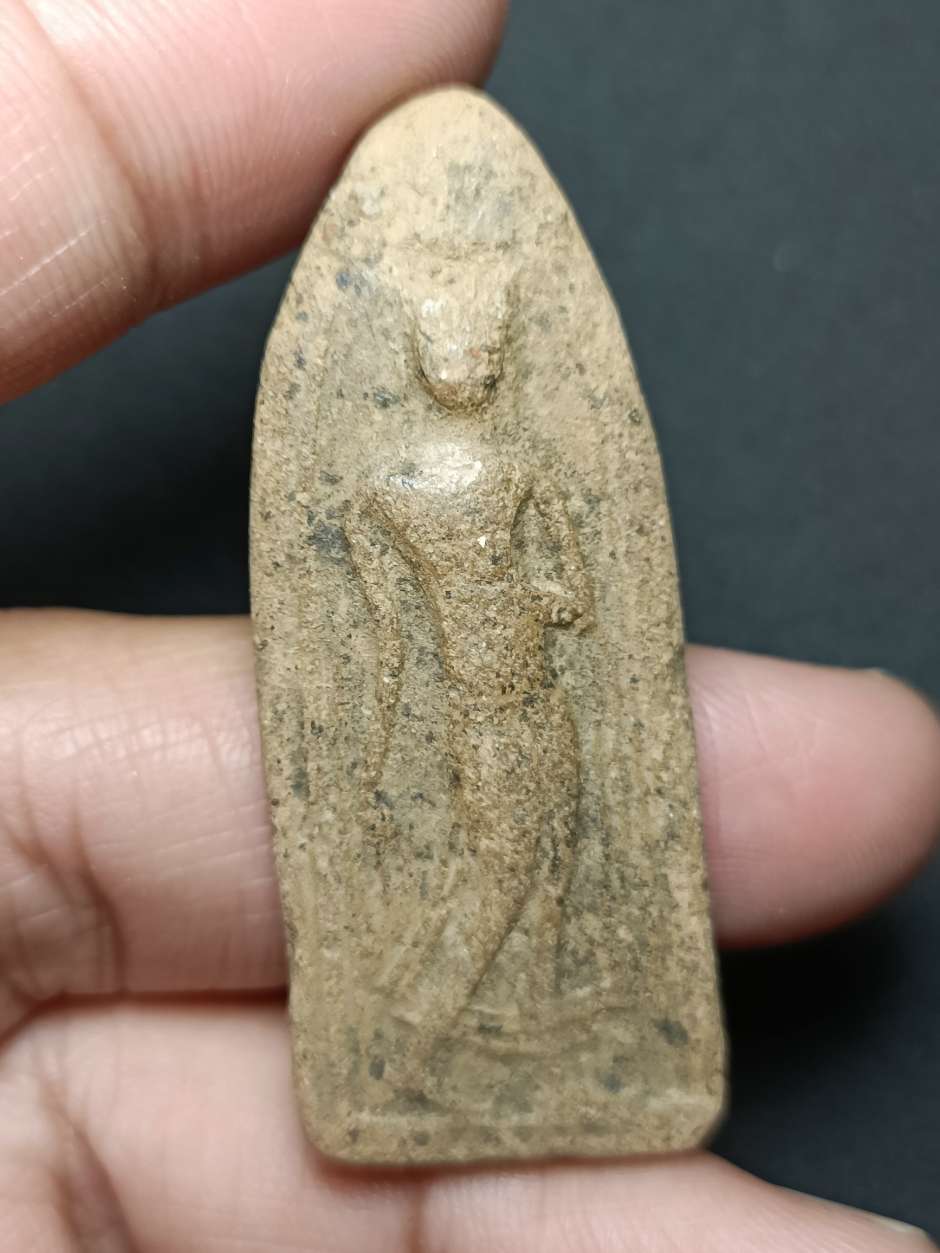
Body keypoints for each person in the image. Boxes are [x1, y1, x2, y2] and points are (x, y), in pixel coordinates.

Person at [0, 3, 937, 1248]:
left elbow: (537, 599)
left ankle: (513, 1030)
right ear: (441, 356)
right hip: (492, 716)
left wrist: (505, 619)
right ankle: (411, 1036)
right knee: (502, 873)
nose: (477, 358)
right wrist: (405, 715)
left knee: (545, 866)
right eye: (462, 340)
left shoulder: (467, 483)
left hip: (521, 708)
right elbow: (433, 629)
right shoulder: (422, 487)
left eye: (487, 340)